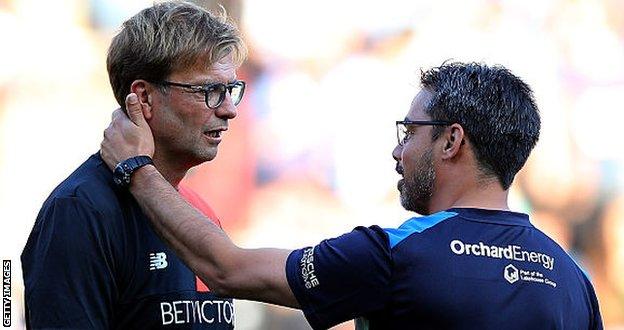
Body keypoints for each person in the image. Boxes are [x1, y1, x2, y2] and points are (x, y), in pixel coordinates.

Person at [101, 62, 603, 329]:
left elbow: (226, 269)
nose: (397, 150)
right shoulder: (571, 279)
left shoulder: (398, 255)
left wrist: (136, 167)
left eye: (410, 131)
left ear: (451, 141)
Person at [21, 2, 246, 328]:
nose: (229, 109)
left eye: (230, 90)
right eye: (210, 90)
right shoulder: (81, 210)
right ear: (143, 98)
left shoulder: (200, 212)